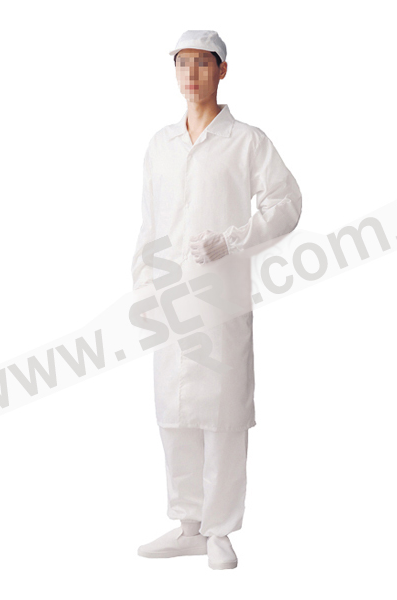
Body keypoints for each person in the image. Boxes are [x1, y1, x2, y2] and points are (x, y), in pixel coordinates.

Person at [131, 30, 302, 570]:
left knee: (223, 414)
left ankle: (221, 530)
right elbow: (150, 223)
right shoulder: (160, 144)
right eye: (182, 64)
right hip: (170, 300)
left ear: (222, 70)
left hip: (220, 300)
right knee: (174, 411)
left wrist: (231, 240)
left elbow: (286, 204)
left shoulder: (246, 141)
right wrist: (142, 287)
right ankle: (188, 526)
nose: (191, 75)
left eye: (202, 64)